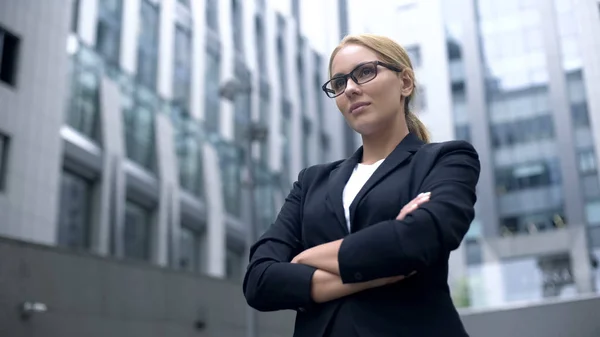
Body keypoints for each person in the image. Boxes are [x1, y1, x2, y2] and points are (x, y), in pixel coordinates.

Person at [242, 33, 481, 337]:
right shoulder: (310, 182)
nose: (351, 89)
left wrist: (304, 258)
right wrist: (377, 271)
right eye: (339, 83)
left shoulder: (445, 159)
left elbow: (420, 237)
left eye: (365, 72)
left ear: (405, 83)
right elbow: (259, 281)